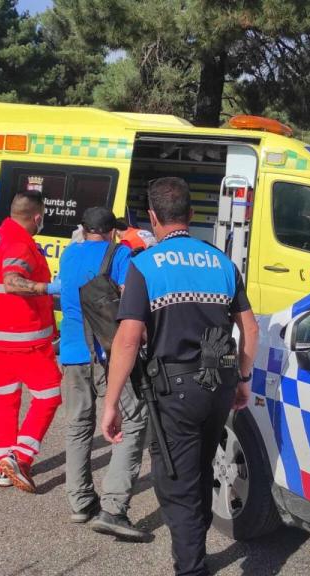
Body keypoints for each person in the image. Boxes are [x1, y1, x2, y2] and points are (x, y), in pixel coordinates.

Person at [100, 177, 260, 575]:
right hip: (219, 384)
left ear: (153, 217)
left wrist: (111, 402)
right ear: (191, 215)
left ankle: (191, 567)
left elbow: (127, 340)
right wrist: (242, 379)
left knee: (176, 481)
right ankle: (196, 549)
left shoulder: (145, 265)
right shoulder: (222, 262)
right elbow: (250, 329)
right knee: (202, 469)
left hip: (176, 392)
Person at [57, 206, 149, 540]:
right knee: (134, 419)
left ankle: (81, 502)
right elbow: (132, 302)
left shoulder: (69, 254)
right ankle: (113, 506)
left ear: (84, 229)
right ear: (112, 231)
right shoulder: (121, 254)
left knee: (79, 425)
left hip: (71, 352)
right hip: (105, 354)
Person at [0, 191, 62, 493]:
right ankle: (21, 456)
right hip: (23, 339)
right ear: (37, 217)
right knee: (49, 394)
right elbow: (12, 281)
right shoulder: (19, 243)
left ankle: (4, 465)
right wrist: (48, 287)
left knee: (5, 399)